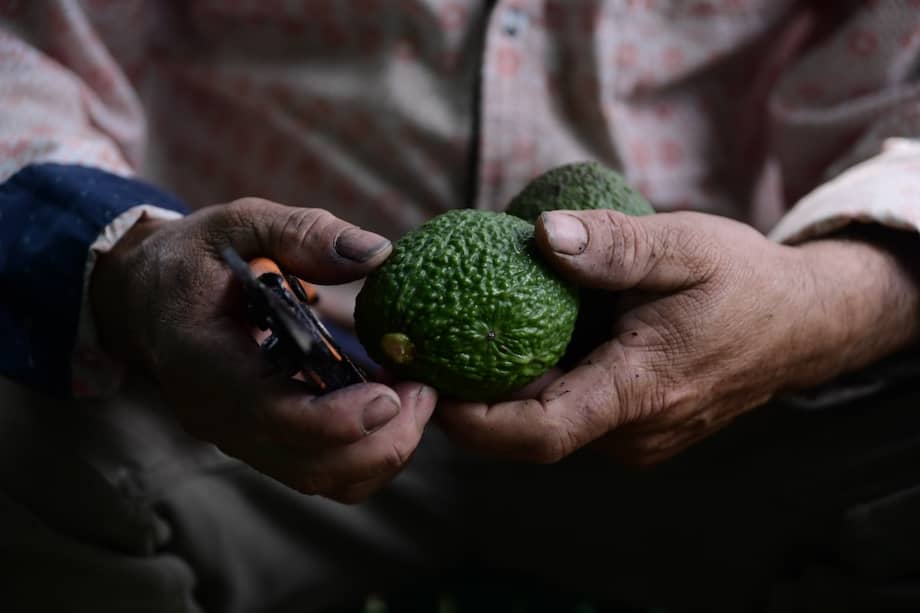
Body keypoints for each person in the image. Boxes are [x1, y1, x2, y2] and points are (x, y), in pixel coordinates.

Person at [1, 1, 919, 611]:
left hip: (714, 377)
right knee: (26, 439)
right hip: (263, 365)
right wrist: (132, 255)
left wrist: (823, 298)